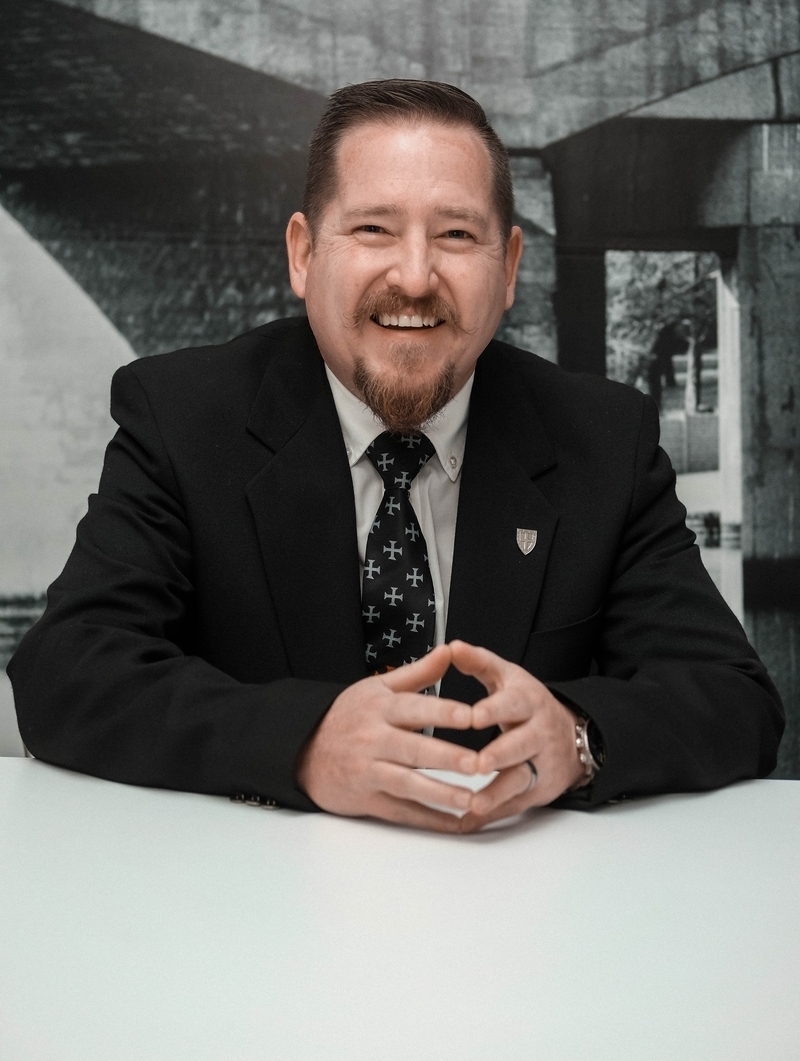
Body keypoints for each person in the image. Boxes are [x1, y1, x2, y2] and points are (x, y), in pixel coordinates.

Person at [9, 80, 783, 833]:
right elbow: (67, 670)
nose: (414, 278)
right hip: (252, 894)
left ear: (509, 267)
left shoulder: (605, 441)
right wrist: (304, 742)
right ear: (304, 254)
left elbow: (733, 696)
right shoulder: (182, 417)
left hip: (519, 890)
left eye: (456, 236)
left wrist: (577, 738)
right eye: (374, 229)